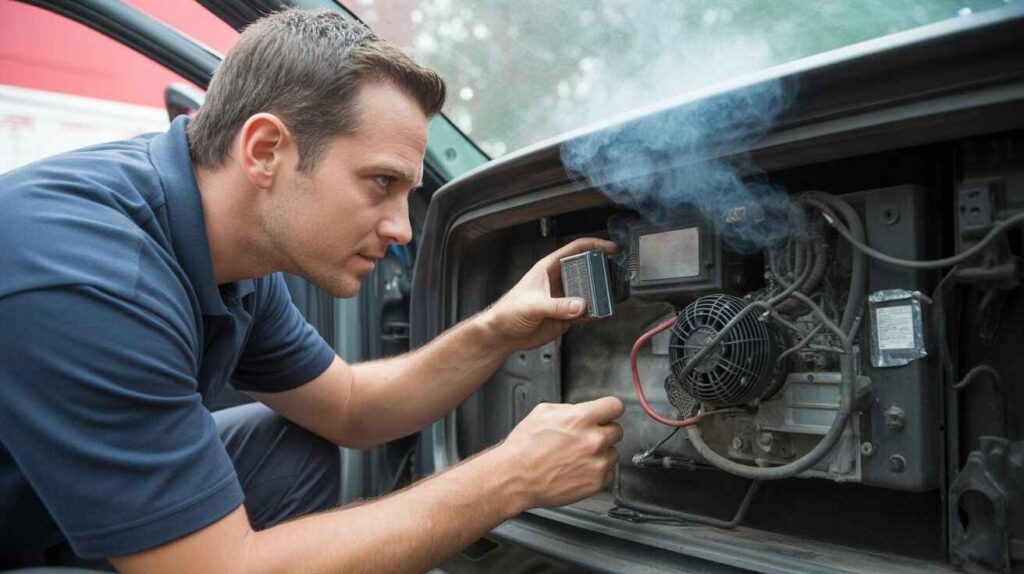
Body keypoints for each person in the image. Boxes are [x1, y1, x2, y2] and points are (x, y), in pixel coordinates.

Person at [0, 8, 624, 573]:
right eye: (380, 182)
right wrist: (509, 478)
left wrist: (498, 328)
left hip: (47, 511)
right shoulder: (96, 276)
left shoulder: (231, 253)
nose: (402, 229)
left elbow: (351, 407)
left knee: (293, 448)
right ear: (266, 150)